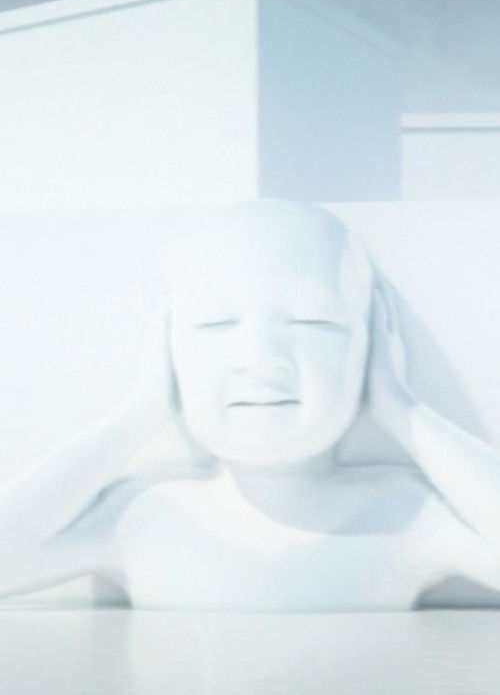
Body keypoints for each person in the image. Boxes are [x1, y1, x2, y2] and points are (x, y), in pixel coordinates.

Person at [1, 199, 500, 612]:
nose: (262, 360)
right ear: (170, 349)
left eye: (314, 325)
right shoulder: (143, 517)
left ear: (370, 346)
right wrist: (140, 413)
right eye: (214, 326)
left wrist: (400, 408)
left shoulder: (404, 514)